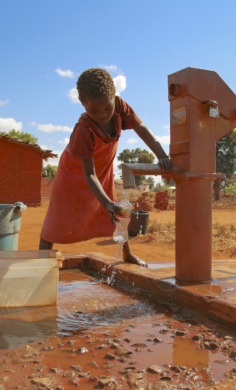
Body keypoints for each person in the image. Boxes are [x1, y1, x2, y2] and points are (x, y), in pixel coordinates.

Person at [39, 68, 173, 267]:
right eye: (94, 111)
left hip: (103, 172)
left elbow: (141, 128)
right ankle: (40, 263)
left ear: (113, 97)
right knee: (57, 220)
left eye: (107, 108)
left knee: (119, 213)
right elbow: (88, 173)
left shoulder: (119, 106)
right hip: (73, 175)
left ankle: (127, 254)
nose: (102, 114)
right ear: (83, 104)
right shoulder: (83, 130)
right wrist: (106, 203)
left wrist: (162, 155)